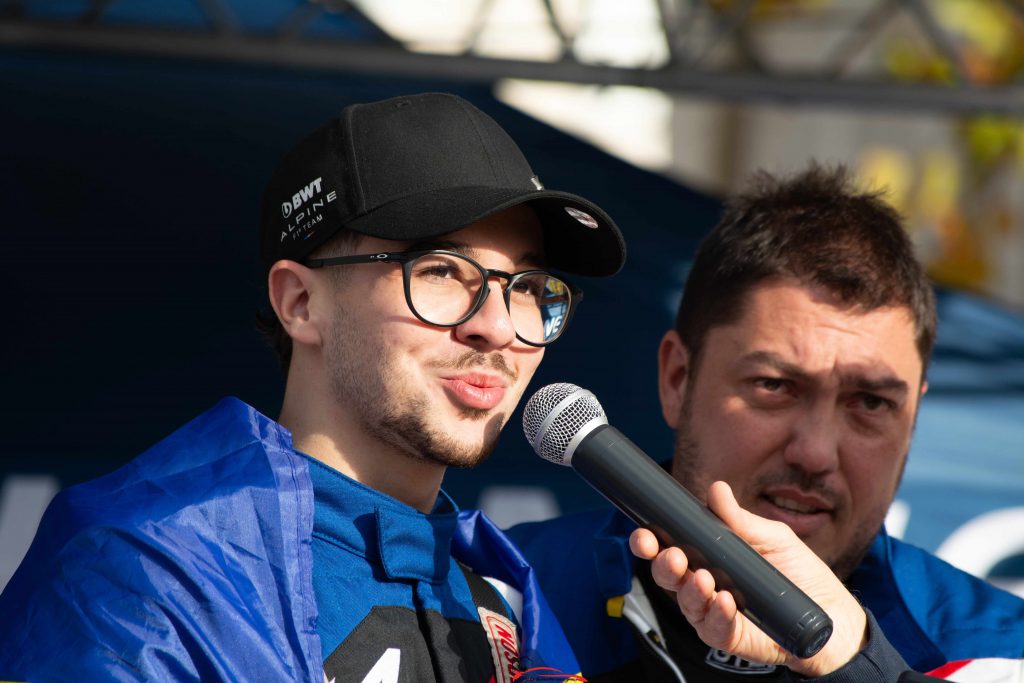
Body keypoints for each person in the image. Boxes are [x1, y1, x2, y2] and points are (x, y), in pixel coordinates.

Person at [0, 92, 625, 682]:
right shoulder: (147, 571)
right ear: (300, 302)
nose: (498, 327)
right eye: (440, 271)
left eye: (528, 287)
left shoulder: (507, 599)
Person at [508, 165, 1024, 681]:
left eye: (870, 402)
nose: (815, 453)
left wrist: (856, 663)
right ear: (677, 379)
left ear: (912, 418)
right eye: (774, 386)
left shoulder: (997, 655)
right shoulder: (508, 592)